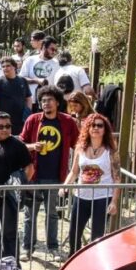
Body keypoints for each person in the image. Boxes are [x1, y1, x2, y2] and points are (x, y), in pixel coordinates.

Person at [20, 85, 80, 259]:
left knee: (52, 214)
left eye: (50, 100)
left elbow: (78, 145)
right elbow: (21, 144)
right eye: (43, 100)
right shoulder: (32, 120)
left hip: (55, 176)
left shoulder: (68, 122)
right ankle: (27, 248)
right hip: (33, 175)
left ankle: (52, 248)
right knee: (30, 214)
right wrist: (32, 146)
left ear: (57, 102)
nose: (46, 103)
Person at [60, 113, 119, 256]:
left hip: (102, 197)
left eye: (100, 125)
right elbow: (74, 172)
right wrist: (65, 186)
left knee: (97, 235)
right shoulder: (80, 148)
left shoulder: (111, 151)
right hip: (81, 196)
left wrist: (114, 202)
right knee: (74, 232)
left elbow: (117, 178)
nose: (96, 128)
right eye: (93, 125)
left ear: (105, 129)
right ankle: (74, 258)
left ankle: (93, 261)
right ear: (88, 128)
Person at [0, 112, 34, 265]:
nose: (5, 129)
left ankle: (11, 265)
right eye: (1, 126)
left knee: (9, 232)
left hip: (9, 197)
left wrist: (18, 187)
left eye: (8, 126)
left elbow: (29, 168)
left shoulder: (18, 145)